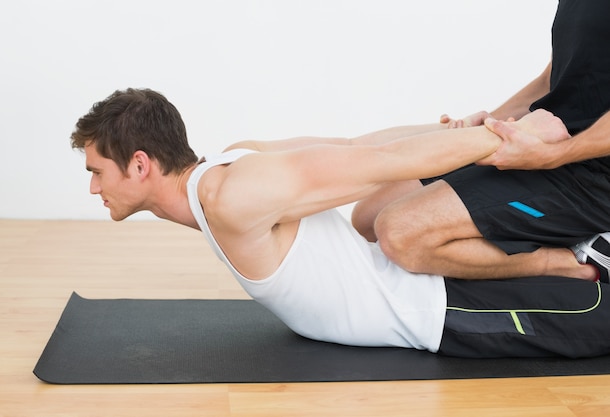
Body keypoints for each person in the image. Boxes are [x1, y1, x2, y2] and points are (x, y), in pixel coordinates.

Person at [69, 88, 610, 358]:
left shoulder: (236, 196)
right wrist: (484, 123)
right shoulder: (232, 165)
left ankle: (581, 250)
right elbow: (358, 146)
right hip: (425, 290)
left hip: (442, 313)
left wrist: (516, 138)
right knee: (370, 214)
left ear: (140, 164)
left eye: (97, 171)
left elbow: (384, 162)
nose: (94, 186)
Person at [351, 0, 610, 283]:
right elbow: (554, 79)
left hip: (595, 179)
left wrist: (552, 155)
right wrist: (489, 124)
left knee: (401, 234)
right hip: (543, 145)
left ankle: (577, 262)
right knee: (367, 217)